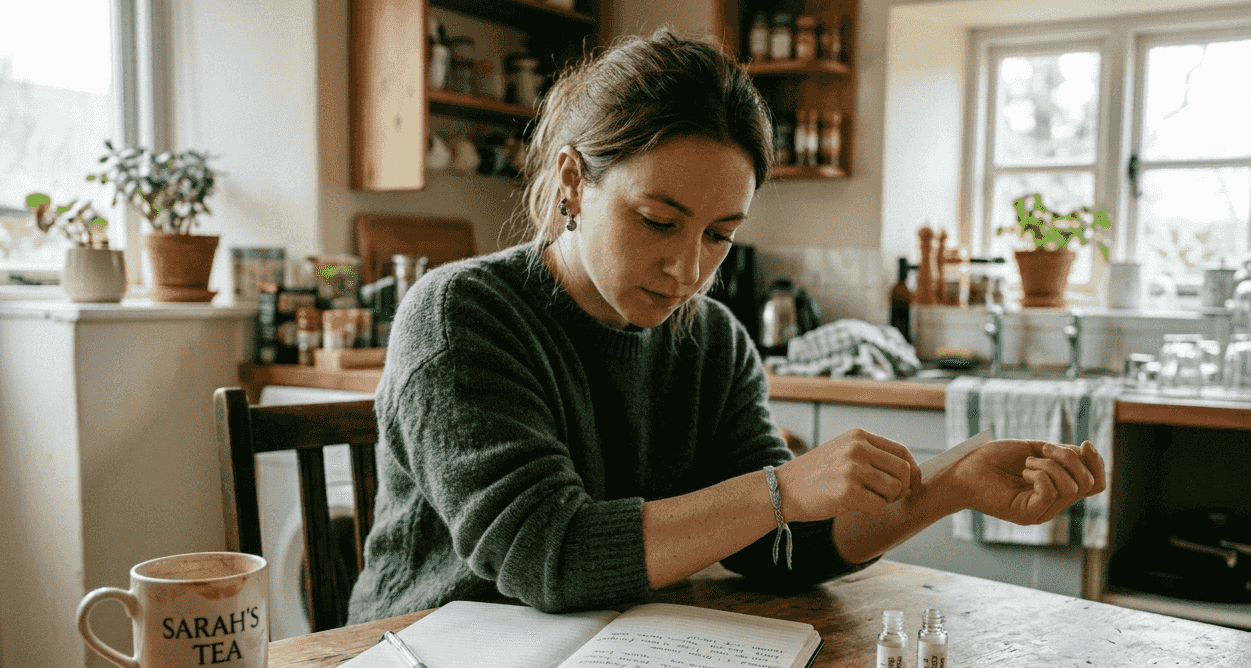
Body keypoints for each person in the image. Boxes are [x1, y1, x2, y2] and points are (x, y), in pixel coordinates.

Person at [346, 29, 1106, 623]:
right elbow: (551, 555)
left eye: (719, 235)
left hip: (598, 665)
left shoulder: (709, 340)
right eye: (657, 220)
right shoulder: (461, 315)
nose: (687, 270)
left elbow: (779, 547)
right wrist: (781, 488)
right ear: (575, 181)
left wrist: (950, 482)